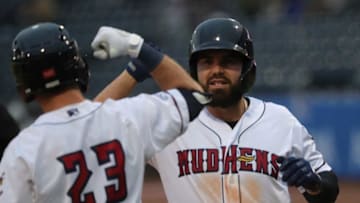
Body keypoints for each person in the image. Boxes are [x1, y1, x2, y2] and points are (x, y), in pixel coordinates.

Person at [95, 18, 339, 203]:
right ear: (194, 70)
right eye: (206, 62)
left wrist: (314, 183)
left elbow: (328, 189)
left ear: (246, 70)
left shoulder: (280, 120)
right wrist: (131, 74)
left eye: (228, 62)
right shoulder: (170, 117)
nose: (216, 70)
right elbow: (91, 123)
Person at [0, 22, 210, 203]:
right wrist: (137, 46)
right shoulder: (127, 117)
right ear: (78, 66)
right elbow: (196, 97)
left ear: (24, 85)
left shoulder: (23, 150)